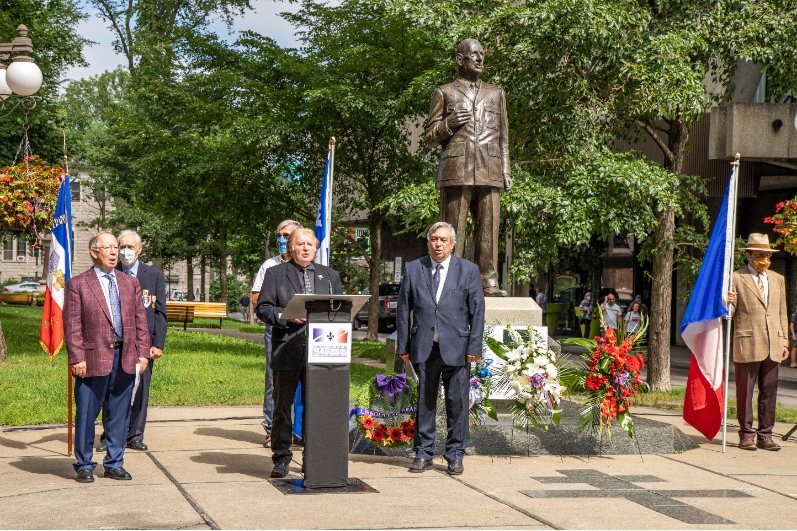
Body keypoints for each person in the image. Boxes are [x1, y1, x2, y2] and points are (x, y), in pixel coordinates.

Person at [396, 222, 485, 475]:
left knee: (457, 403)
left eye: (443, 240)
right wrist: (403, 345)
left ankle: (455, 454)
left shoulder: (468, 270)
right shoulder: (414, 268)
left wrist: (474, 346)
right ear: (428, 242)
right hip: (424, 347)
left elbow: (477, 310)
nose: (438, 244)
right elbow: (404, 309)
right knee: (425, 403)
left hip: (457, 348)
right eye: (434, 239)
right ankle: (423, 453)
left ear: (452, 244)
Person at [426, 38, 511, 297]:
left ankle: (488, 281)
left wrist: (506, 170)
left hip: (490, 167)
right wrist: (448, 124)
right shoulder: (445, 92)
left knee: (489, 227)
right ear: (459, 59)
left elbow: (504, 136)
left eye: (482, 55)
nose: (479, 59)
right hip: (456, 169)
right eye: (474, 54)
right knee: (453, 228)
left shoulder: (496, 93)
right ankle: (453, 281)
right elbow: (430, 136)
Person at [255, 228, 343, 478]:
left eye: (310, 244)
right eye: (300, 244)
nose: (305, 248)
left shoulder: (330, 275)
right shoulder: (275, 274)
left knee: (316, 406)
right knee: (283, 405)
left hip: (323, 350)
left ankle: (312, 458)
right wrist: (286, 315)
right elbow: (263, 309)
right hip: (287, 348)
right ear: (291, 248)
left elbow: (341, 309)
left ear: (317, 248)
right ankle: (281, 457)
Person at [65, 232, 150, 483]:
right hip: (92, 360)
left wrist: (142, 353)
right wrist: (77, 357)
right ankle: (84, 464)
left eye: (116, 248)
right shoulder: (78, 284)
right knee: (86, 414)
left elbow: (140, 321)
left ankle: (114, 463)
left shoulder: (129, 283)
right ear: (94, 252)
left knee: (120, 414)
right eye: (109, 248)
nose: (115, 252)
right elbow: (72, 325)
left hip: (125, 358)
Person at [97, 230, 166, 453]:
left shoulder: (153, 275)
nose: (125, 251)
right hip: (117, 343)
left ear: (139, 250)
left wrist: (158, 344)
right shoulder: (110, 273)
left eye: (129, 247)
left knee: (141, 390)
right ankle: (109, 435)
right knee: (113, 390)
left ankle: (135, 434)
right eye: (121, 246)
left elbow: (160, 313)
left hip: (144, 344)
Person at [727, 233, 789, 451]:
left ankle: (766, 435)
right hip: (747, 343)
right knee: (745, 393)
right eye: (760, 254)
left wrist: (785, 343)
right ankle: (746, 435)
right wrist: (726, 302)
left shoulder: (777, 279)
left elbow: (782, 312)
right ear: (748, 255)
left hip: (774, 344)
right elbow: (730, 313)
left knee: (769, 393)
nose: (764, 258)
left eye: (767, 254)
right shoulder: (736, 278)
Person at [251, 220, 302, 448]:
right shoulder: (269, 267)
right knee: (275, 381)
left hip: (309, 332)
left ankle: (300, 429)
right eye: (279, 235)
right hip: (279, 329)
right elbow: (256, 300)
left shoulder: (309, 265)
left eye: (286, 234)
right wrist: (286, 312)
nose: (282, 239)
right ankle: (273, 428)